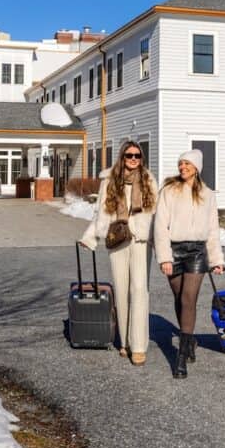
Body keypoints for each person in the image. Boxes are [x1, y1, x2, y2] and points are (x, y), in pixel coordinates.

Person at [81, 141, 157, 365]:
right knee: (122, 290)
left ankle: (139, 345)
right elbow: (102, 212)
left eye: (137, 155)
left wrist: (159, 241)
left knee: (139, 290)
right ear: (122, 157)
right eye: (129, 155)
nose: (133, 159)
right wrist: (90, 237)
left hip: (141, 240)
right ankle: (125, 341)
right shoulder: (110, 181)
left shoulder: (149, 179)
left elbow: (156, 212)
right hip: (117, 239)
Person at [154, 149, 225, 379]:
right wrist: (164, 257)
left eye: (187, 164)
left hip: (197, 251)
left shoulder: (208, 194)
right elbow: (160, 225)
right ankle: (190, 340)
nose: (182, 167)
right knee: (179, 298)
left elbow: (213, 229)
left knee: (188, 298)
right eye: (180, 163)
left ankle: (181, 356)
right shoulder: (169, 190)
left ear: (197, 167)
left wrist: (216, 259)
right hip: (174, 250)